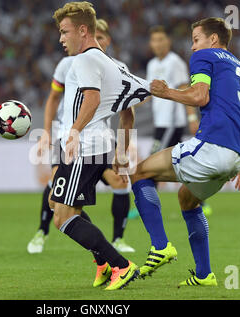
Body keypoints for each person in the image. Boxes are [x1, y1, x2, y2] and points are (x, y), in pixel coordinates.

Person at [123, 17, 240, 286]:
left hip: (212, 146)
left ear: (213, 40)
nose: (193, 46)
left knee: (139, 173)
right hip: (237, 154)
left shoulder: (205, 56)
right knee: (187, 199)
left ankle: (160, 246)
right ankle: (205, 275)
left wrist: (167, 92)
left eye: (196, 39)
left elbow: (199, 97)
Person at [49, 1, 151, 290]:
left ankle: (119, 264)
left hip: (84, 147)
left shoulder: (84, 60)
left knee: (62, 216)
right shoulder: (106, 60)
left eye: (64, 31)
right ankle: (105, 263)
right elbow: (128, 110)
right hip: (93, 146)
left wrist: (74, 132)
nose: (61, 39)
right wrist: (120, 149)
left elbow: (92, 99)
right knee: (57, 204)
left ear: (82, 30)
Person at [27, 18, 135, 255]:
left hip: (99, 139)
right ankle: (41, 232)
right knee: (58, 193)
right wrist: (46, 131)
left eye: (105, 37)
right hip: (68, 136)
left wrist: (122, 150)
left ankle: (115, 242)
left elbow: (127, 112)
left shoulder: (116, 66)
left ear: (107, 40)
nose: (101, 41)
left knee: (119, 182)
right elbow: (53, 98)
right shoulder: (67, 64)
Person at [128, 25, 213, 219]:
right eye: (154, 40)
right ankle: (200, 200)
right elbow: (151, 93)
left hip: (173, 122)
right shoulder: (151, 65)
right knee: (178, 164)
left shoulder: (174, 62)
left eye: (160, 40)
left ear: (168, 42)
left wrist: (192, 118)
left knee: (150, 163)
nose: (157, 44)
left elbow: (185, 89)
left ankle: (144, 205)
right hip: (161, 122)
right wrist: (132, 103)